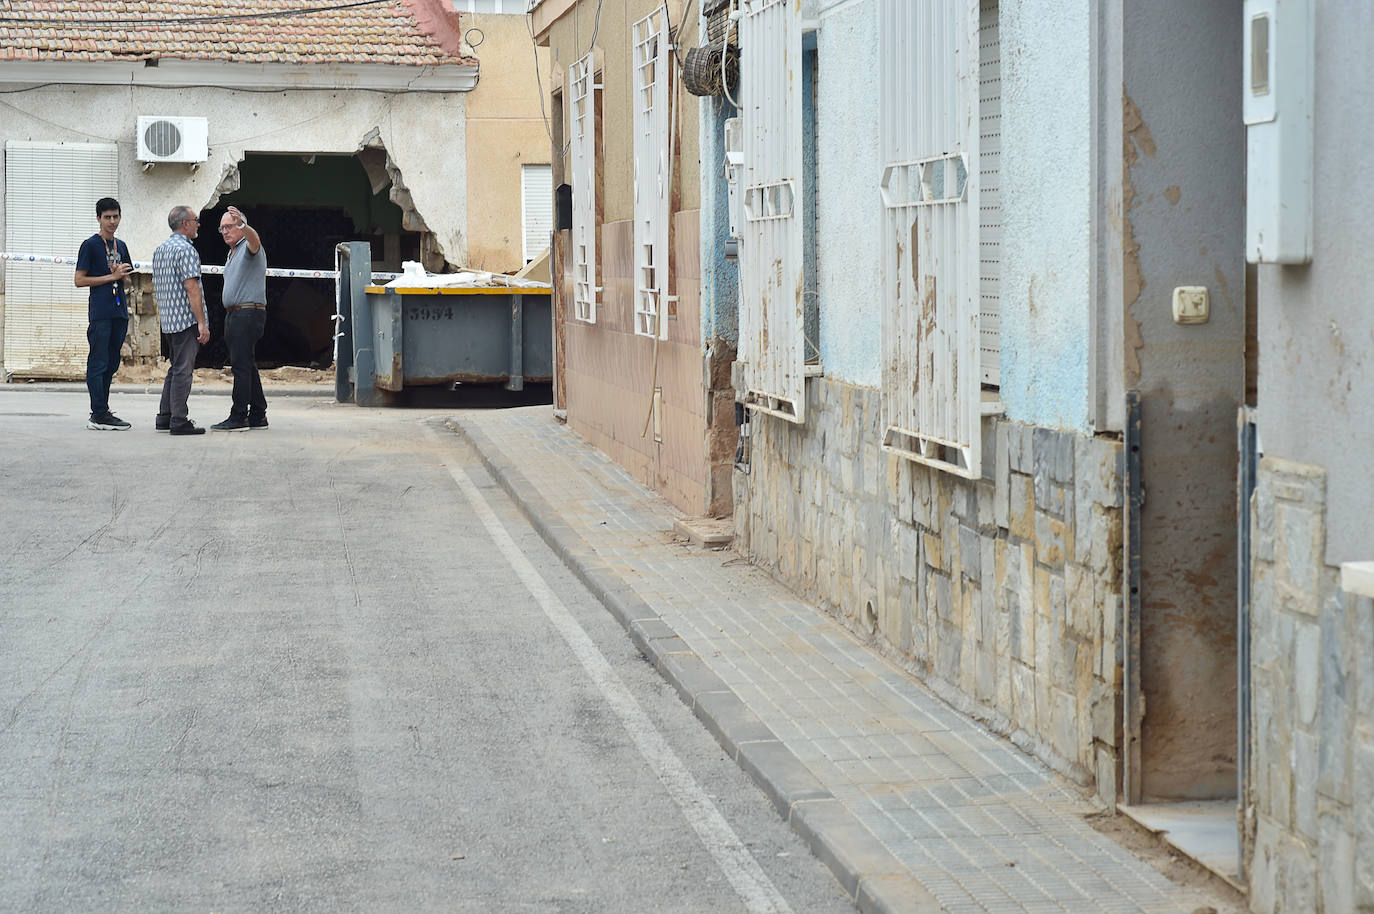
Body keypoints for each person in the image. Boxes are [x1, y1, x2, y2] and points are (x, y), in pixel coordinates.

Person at [74, 197, 133, 430]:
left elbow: (126, 281)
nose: (112, 221)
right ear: (98, 218)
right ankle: (97, 413)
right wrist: (112, 276)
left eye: (115, 216)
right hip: (100, 312)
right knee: (98, 362)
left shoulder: (122, 246)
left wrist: (123, 276)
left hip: (119, 310)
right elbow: (79, 280)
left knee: (111, 362)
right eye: (107, 217)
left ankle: (104, 409)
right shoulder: (90, 245)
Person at [151, 206, 210, 435]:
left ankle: (164, 416)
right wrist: (202, 323)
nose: (198, 224)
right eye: (195, 220)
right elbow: (191, 287)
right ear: (185, 224)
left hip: (168, 320)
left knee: (175, 369)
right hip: (185, 321)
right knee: (184, 370)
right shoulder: (186, 250)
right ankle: (178, 420)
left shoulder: (161, 249)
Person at [212, 205, 268, 432]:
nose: (225, 231)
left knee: (240, 367)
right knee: (246, 364)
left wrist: (244, 226)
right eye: (222, 228)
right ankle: (258, 414)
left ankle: (238, 417)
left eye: (229, 226)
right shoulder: (232, 252)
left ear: (240, 226)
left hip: (247, 313)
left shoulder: (249, 246)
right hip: (235, 314)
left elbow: (255, 240)